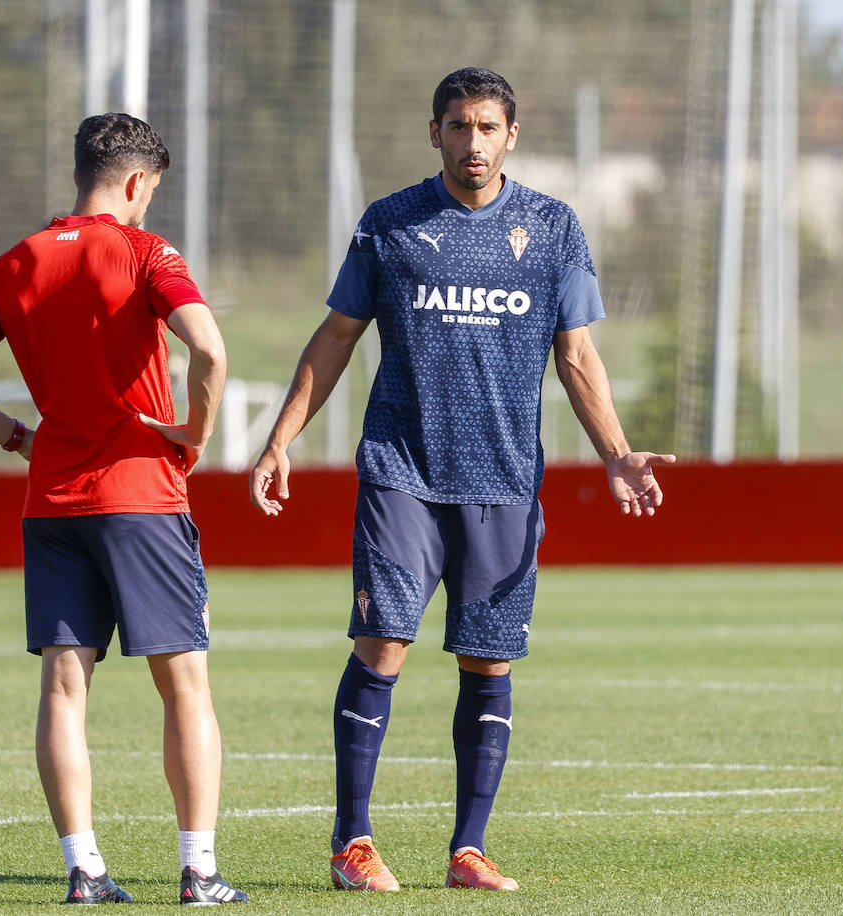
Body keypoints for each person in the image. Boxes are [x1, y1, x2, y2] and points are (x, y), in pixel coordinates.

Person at [249, 68, 675, 893]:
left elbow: (578, 354)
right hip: (402, 472)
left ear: (511, 135)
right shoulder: (391, 224)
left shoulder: (553, 230)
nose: (471, 143)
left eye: (486, 127)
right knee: (383, 646)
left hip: (506, 483)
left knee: (489, 664)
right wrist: (280, 439)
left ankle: (468, 850)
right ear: (433, 132)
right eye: (457, 126)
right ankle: (353, 844)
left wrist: (616, 453)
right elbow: (336, 337)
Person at [0, 113, 248, 907]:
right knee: (185, 686)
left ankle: (84, 870)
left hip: (54, 502)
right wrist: (194, 433)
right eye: (152, 193)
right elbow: (208, 347)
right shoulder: (144, 253)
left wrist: (16, 438)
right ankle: (199, 872)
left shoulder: (16, 261)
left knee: (65, 686)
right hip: (142, 495)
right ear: (137, 182)